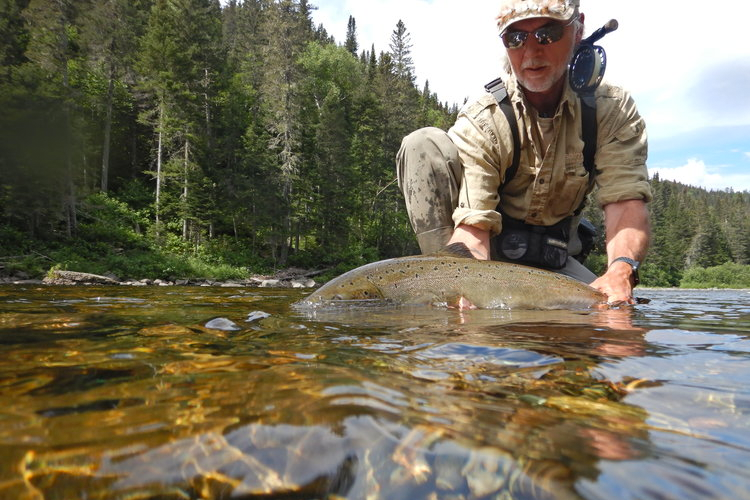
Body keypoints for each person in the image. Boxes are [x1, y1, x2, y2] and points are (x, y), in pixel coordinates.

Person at [396, 0, 651, 306]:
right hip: (486, 261)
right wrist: (466, 286)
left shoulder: (611, 109)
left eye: (548, 33)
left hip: (557, 261)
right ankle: (445, 293)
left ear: (578, 29)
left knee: (612, 314)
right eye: (515, 38)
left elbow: (624, 203)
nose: (531, 52)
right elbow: (474, 228)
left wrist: (620, 271)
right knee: (423, 143)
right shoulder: (484, 119)